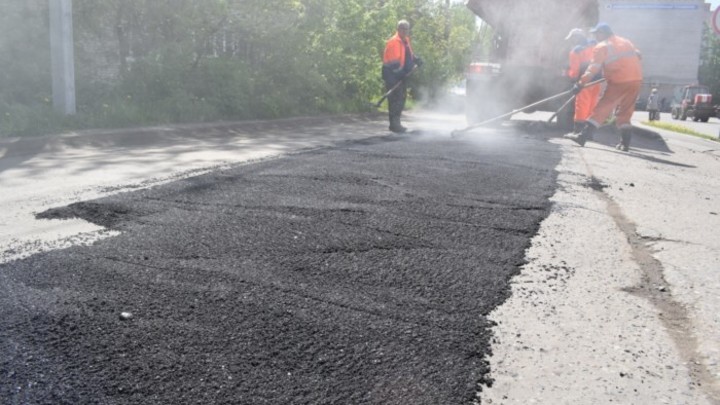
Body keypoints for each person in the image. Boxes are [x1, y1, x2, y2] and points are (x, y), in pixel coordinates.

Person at [565, 22, 642, 151]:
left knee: (602, 108)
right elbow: (638, 55)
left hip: (619, 81)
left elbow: (592, 69)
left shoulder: (602, 46)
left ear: (603, 33)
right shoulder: (625, 41)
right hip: (636, 80)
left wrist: (580, 83)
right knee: (625, 112)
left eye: (596, 34)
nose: (595, 37)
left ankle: (583, 136)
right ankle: (625, 143)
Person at [382, 20, 422, 133]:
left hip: (400, 75)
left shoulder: (405, 41)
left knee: (401, 99)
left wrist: (416, 60)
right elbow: (394, 63)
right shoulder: (394, 42)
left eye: (406, 29)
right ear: (398, 29)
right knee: (396, 99)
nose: (405, 31)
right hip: (391, 74)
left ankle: (396, 123)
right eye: (402, 28)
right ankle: (394, 125)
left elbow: (409, 55)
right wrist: (401, 74)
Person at [565, 28, 601, 134]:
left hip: (584, 80)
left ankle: (577, 131)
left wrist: (573, 81)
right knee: (592, 104)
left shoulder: (576, 51)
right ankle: (588, 132)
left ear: (576, 38)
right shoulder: (595, 45)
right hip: (597, 79)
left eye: (572, 39)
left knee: (582, 104)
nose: (571, 42)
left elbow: (575, 70)